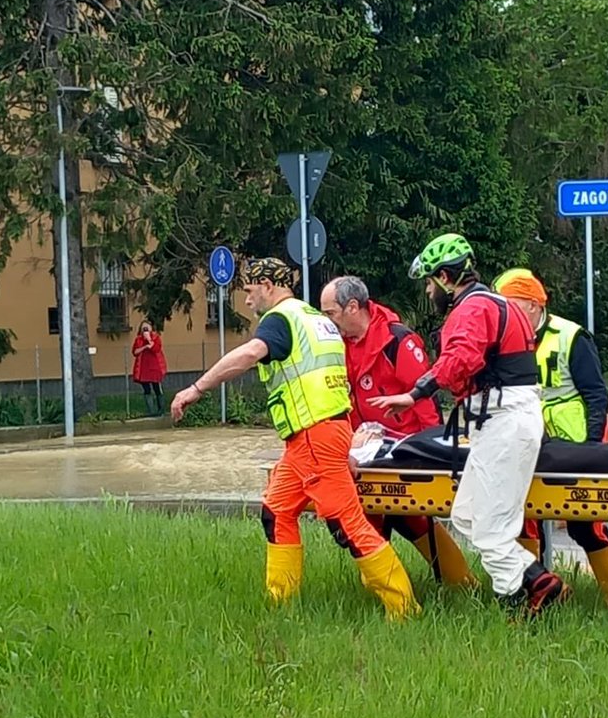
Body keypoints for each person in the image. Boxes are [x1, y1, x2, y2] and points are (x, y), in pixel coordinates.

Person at [170, 258, 419, 621]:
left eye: (250, 291)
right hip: (315, 436)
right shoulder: (316, 319)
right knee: (277, 511)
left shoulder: (280, 319)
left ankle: (403, 608)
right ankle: (280, 603)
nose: (246, 300)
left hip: (315, 436)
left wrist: (196, 388)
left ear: (269, 286)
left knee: (347, 523)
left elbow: (249, 354)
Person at [370, 234, 568, 614]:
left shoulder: (472, 309)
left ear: (445, 277)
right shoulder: (498, 304)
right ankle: (537, 579)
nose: (428, 291)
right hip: (504, 418)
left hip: (503, 421)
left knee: (492, 530)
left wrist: (415, 393)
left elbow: (461, 358)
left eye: (430, 283)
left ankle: (520, 603)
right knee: (466, 513)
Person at [320, 274, 476, 588]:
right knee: (364, 517)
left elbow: (423, 400)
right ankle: (387, 588)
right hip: (363, 449)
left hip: (405, 448)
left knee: (410, 517)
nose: (327, 322)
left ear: (353, 307)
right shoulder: (339, 345)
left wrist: (432, 452)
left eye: (330, 313)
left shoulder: (396, 341)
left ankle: (457, 583)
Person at [494, 268, 608, 603]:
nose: (503, 315)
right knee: (524, 520)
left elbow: (596, 395)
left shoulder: (571, 336)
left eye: (509, 305)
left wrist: (594, 447)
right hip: (527, 445)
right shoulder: (502, 341)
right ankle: (536, 592)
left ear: (532, 304)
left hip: (574, 445)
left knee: (585, 524)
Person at [131, 320, 167, 416]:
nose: (145, 329)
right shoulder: (138, 339)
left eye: (147, 327)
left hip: (154, 367)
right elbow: (135, 352)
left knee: (157, 388)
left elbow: (156, 349)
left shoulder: (156, 337)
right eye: (143, 328)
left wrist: (149, 339)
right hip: (143, 368)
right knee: (147, 389)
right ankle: (151, 411)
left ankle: (161, 410)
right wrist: (145, 347)